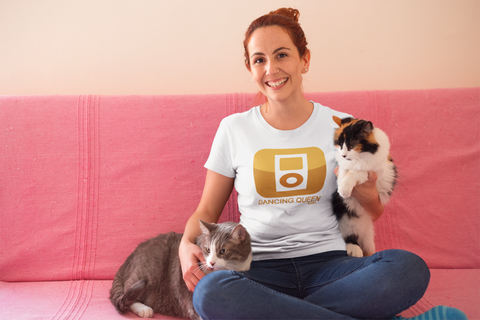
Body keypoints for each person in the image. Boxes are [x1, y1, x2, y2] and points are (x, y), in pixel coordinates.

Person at [179, 7, 467, 320]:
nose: (271, 69)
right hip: (256, 271)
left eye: (282, 55)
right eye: (260, 59)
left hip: (331, 267)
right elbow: (207, 212)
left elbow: (373, 211)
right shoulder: (233, 129)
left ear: (305, 60)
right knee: (211, 292)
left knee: (408, 269)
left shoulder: (341, 128)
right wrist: (184, 245)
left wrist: (367, 190)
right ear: (250, 68)